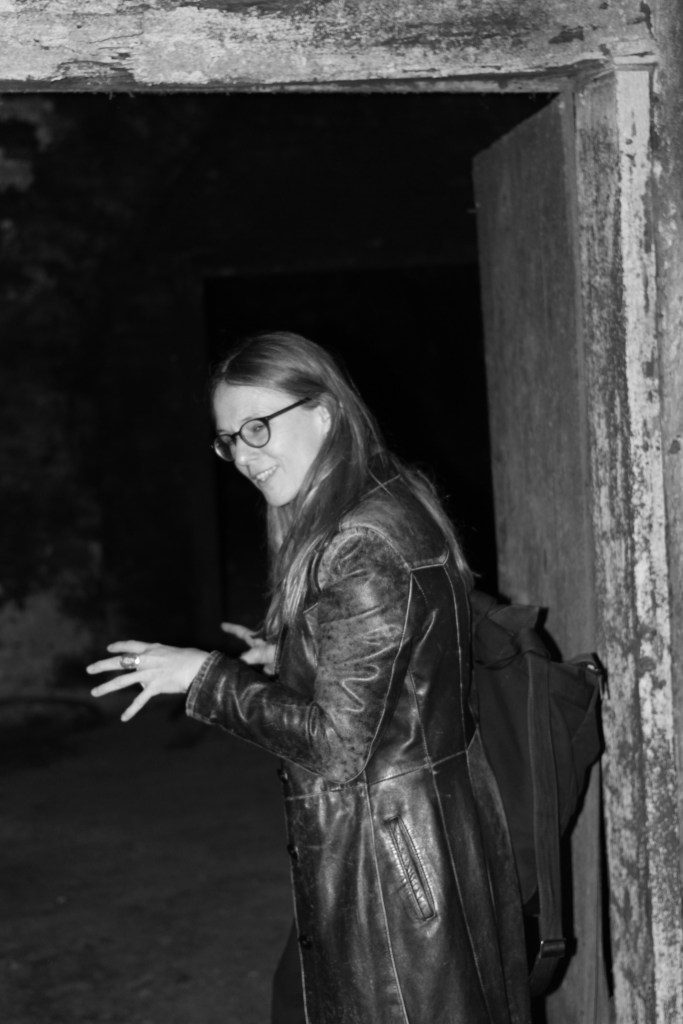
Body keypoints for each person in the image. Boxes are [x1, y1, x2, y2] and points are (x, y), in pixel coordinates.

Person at [87, 331, 531, 1024]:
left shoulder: (359, 546)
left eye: (258, 426)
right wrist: (293, 656)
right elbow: (409, 659)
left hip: (394, 867)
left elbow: (337, 746)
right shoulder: (389, 497)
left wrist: (204, 678)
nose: (244, 455)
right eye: (229, 438)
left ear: (323, 412)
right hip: (429, 838)